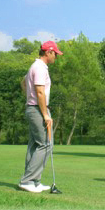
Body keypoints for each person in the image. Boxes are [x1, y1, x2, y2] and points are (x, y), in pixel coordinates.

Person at [18, 41, 63, 193]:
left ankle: (34, 181)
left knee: (35, 145)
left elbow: (23, 83)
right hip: (38, 109)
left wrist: (29, 99)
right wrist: (45, 114)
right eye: (55, 53)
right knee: (46, 144)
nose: (56, 56)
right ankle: (27, 181)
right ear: (48, 52)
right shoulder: (39, 68)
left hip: (33, 108)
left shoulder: (35, 66)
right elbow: (39, 92)